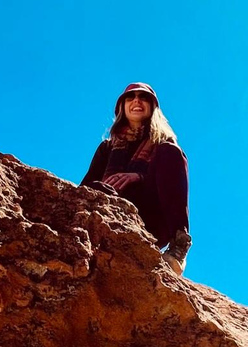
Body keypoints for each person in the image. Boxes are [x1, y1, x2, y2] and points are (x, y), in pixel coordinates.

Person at [81, 82, 191, 274]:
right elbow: (85, 186)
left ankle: (179, 245)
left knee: (170, 151)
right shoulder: (107, 148)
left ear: (152, 107)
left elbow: (166, 183)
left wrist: (139, 177)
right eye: (130, 97)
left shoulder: (162, 146)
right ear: (122, 107)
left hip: (149, 217)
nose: (137, 101)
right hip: (109, 213)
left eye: (143, 97)